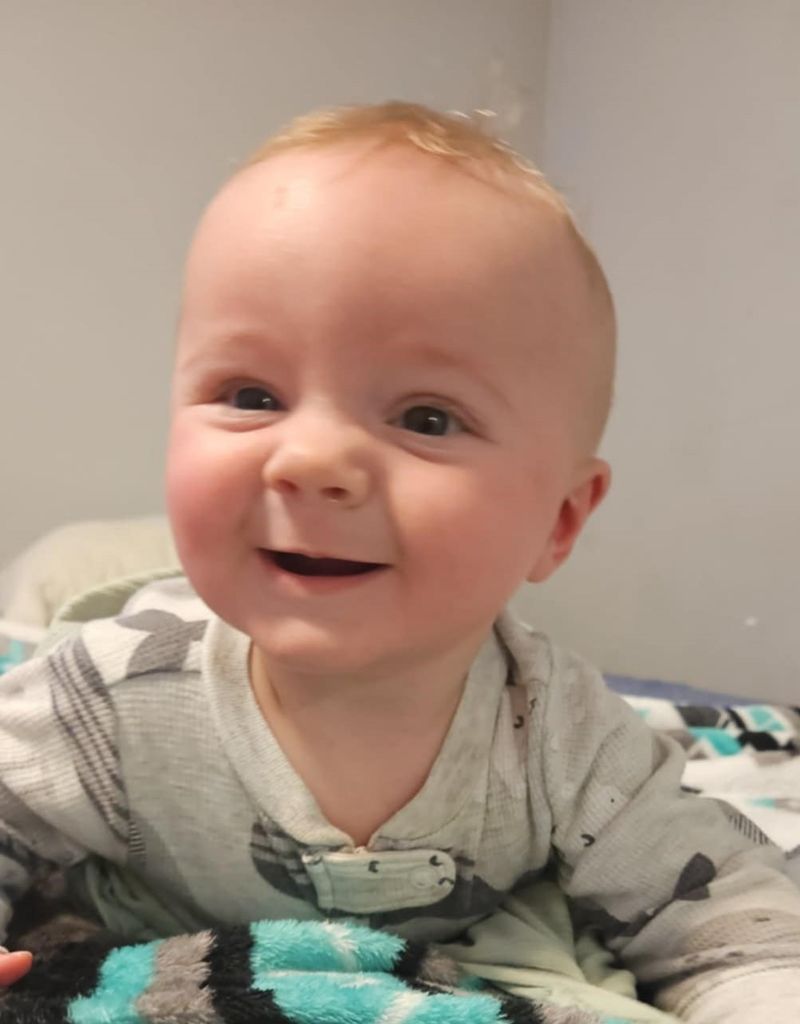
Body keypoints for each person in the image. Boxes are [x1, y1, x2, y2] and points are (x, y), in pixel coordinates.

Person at [1, 102, 798, 1021]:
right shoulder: (112, 697)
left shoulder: (562, 736)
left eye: (427, 418)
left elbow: (733, 923)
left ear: (560, 518)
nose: (311, 461)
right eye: (251, 394)